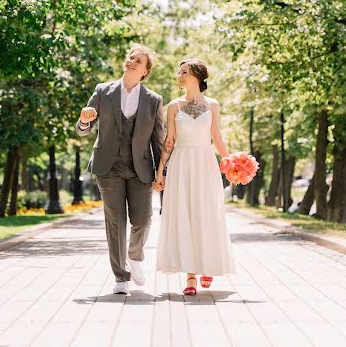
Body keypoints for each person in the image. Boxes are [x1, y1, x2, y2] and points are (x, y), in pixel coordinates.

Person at [76, 44, 164, 295]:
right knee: (115, 223)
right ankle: (120, 276)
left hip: (140, 168)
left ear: (145, 71)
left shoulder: (153, 99)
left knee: (143, 220)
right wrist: (84, 120)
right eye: (130, 57)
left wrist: (161, 174)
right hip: (108, 167)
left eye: (138, 61)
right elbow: (83, 126)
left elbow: (158, 140)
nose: (132, 61)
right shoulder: (103, 91)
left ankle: (135, 255)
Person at [153, 58, 235, 295]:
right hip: (181, 164)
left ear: (198, 76)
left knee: (206, 213)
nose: (179, 76)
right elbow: (169, 142)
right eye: (179, 72)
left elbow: (218, 138)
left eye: (184, 72)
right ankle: (190, 277)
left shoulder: (213, 105)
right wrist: (160, 172)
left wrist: (231, 165)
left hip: (205, 163)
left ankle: (207, 264)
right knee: (184, 214)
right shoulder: (173, 107)